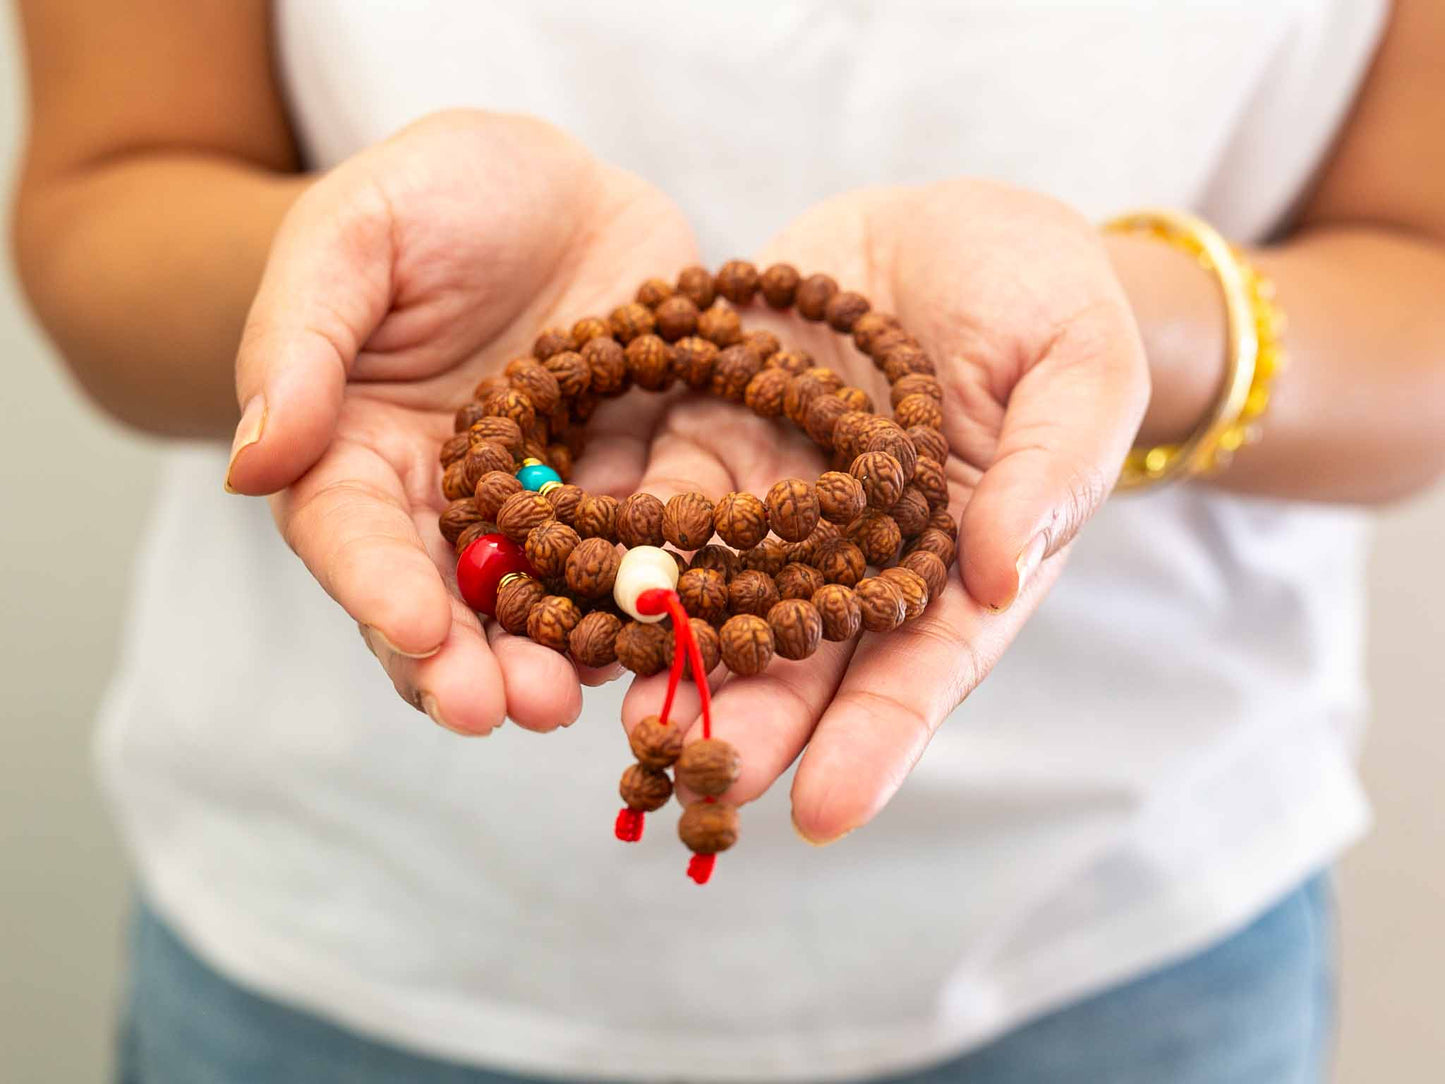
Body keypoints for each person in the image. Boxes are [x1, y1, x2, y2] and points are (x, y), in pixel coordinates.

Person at [13, 0, 1445, 1080]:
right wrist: (347, 282)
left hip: (1128, 941)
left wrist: (1127, 327)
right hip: (333, 938)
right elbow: (109, 186)